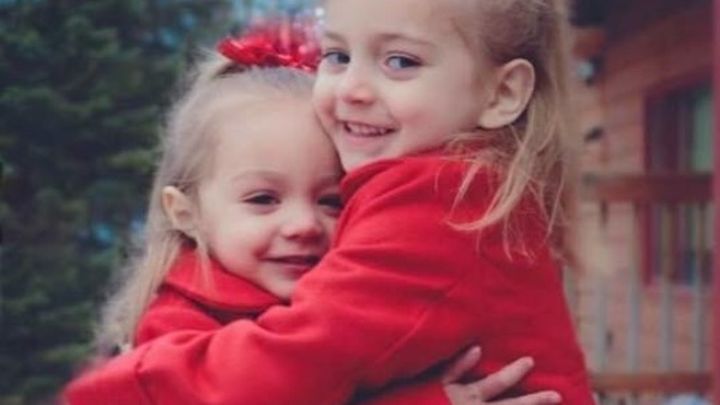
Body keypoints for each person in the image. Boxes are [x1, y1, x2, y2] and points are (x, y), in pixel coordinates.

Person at [64, 0, 595, 403]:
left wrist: (117, 387)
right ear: (186, 212)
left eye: (400, 61)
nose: (353, 89)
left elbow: (299, 360)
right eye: (337, 55)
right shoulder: (446, 185)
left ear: (502, 94)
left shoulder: (444, 200)